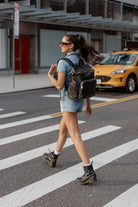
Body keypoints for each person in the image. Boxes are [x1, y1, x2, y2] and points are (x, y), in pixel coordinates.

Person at [43, 34, 100, 185]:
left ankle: (89, 171)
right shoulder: (80, 59)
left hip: (68, 103)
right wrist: (88, 104)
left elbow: (59, 86)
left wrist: (50, 75)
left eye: (63, 43)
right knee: (63, 130)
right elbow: (86, 81)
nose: (60, 45)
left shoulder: (63, 62)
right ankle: (53, 156)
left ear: (71, 46)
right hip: (78, 101)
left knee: (75, 136)